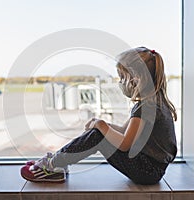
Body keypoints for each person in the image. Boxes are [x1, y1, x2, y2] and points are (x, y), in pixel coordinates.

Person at [20, 47, 177, 185]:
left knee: (98, 137)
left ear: (135, 81)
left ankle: (54, 165)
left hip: (146, 171)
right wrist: (100, 124)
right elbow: (125, 131)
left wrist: (101, 127)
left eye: (123, 78)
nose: (120, 82)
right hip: (151, 169)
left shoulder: (146, 108)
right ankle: (59, 162)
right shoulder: (154, 103)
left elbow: (125, 144)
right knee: (99, 131)